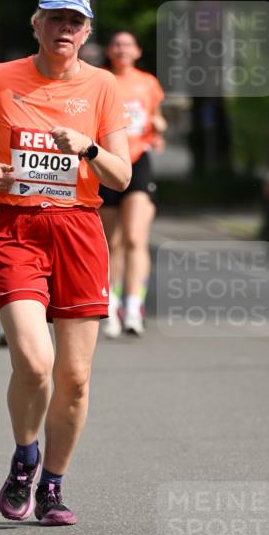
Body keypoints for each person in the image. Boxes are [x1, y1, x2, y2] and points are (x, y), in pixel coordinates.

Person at [0, 0, 130, 525]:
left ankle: (53, 484)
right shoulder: (0, 79)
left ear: (87, 32)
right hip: (16, 227)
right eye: (55, 20)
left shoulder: (103, 86)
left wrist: (89, 149)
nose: (65, 30)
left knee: (75, 378)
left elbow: (121, 176)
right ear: (36, 24)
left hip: (78, 228)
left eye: (75, 23)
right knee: (34, 363)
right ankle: (24, 458)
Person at [99, 30, 166, 337]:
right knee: (110, 242)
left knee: (136, 238)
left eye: (128, 44)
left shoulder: (148, 82)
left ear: (137, 51)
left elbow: (156, 118)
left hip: (138, 160)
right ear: (110, 50)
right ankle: (110, 304)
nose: (122, 48)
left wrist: (159, 127)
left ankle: (134, 305)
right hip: (107, 161)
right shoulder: (100, 80)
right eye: (117, 44)